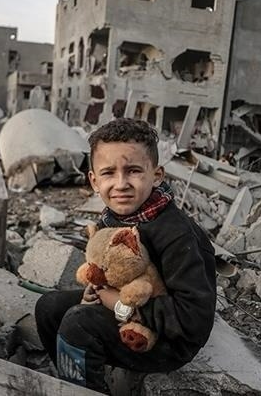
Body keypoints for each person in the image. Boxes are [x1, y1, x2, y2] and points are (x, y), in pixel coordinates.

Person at [35, 118, 217, 393]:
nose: (121, 184)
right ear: (94, 181)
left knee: (78, 325)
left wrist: (121, 306)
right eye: (108, 173)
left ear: (156, 175)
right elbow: (113, 270)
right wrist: (94, 294)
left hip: (166, 340)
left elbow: (194, 321)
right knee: (48, 307)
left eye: (133, 171)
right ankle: (72, 379)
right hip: (127, 310)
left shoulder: (176, 234)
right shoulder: (114, 217)